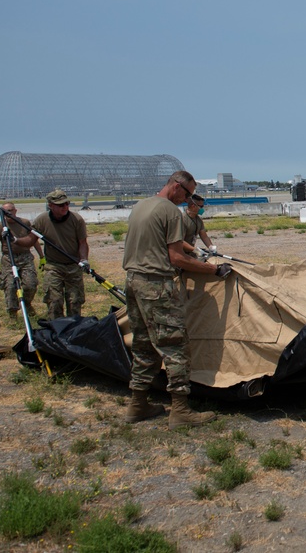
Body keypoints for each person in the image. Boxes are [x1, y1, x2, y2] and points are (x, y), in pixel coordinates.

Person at [123, 170, 232, 429]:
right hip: (157, 285)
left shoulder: (141, 206)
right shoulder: (171, 212)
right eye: (187, 194)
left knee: (142, 344)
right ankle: (181, 411)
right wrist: (214, 269)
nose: (188, 200)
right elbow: (176, 258)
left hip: (133, 281)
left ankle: (137, 404)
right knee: (175, 345)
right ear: (176, 186)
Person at [32, 189, 90, 319]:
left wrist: (84, 260)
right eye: (61, 205)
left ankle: (74, 329)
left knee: (74, 301)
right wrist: (14, 239)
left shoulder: (77, 219)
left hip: (74, 265)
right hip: (54, 266)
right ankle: (57, 328)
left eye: (67, 204)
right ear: (51, 205)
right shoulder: (42, 220)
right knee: (54, 300)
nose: (65, 207)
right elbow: (29, 240)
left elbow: (82, 243)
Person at [0, 203, 44, 319]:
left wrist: (42, 257)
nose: (8, 214)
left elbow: (34, 240)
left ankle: (27, 304)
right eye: (5, 212)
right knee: (10, 285)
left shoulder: (25, 223)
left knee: (30, 284)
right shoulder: (0, 227)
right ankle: (12, 312)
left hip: (25, 257)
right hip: (8, 258)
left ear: (15, 211)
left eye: (10, 211)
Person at [182, 194, 216, 258]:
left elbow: (204, 236)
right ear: (193, 206)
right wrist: (195, 250)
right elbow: (180, 241)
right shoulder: (182, 220)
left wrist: (211, 247)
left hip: (190, 252)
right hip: (181, 253)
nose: (202, 209)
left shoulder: (199, 220)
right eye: (201, 206)